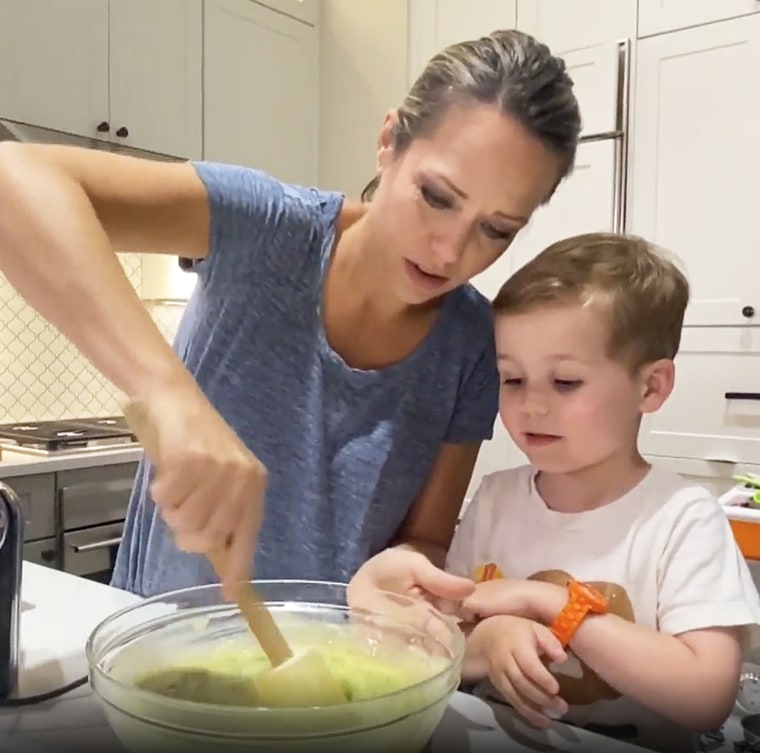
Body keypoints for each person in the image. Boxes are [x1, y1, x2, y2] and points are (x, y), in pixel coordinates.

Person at [0, 30, 581, 599]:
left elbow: (425, 537)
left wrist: (401, 579)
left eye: (497, 230)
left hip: (333, 666)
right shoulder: (271, 229)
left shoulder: (472, 342)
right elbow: (13, 179)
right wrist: (169, 397)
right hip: (163, 642)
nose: (452, 251)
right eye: (436, 197)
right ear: (389, 141)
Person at [438, 232, 760, 753]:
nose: (531, 406)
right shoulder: (495, 498)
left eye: (565, 382)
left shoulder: (681, 518)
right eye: (512, 379)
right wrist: (484, 646)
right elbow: (442, 637)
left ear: (651, 387)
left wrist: (545, 602)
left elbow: (706, 696)